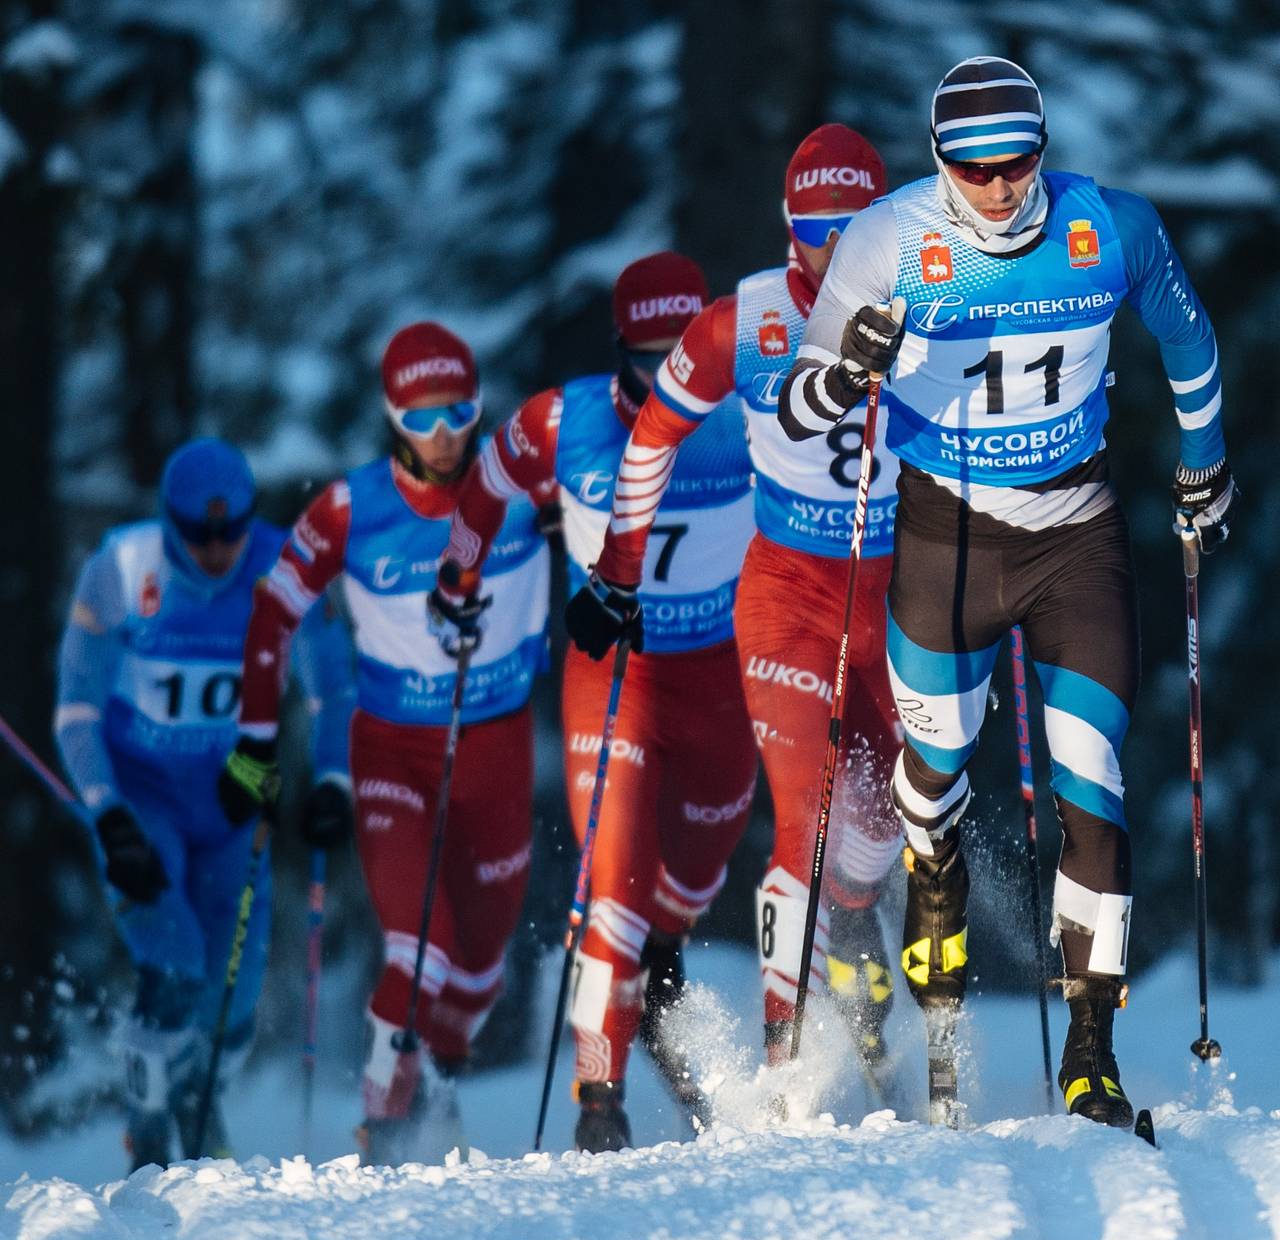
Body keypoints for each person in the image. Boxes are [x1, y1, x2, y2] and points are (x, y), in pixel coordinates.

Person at [776, 57, 1236, 1126]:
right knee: (931, 773)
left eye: (1016, 161)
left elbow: (1186, 336)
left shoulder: (1105, 226)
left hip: (1074, 533)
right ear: (936, 161)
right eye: (970, 168)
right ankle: (931, 866)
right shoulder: (887, 240)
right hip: (945, 534)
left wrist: (1201, 464)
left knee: (1094, 784)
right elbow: (801, 405)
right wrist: (847, 370)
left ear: (1043, 149)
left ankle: (1090, 1052)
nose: (995, 187)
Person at [564, 125, 904, 1093]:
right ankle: (780, 1057)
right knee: (800, 812)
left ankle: (847, 911)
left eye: (853, 228)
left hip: (903, 597)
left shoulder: (936, 295)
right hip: (788, 595)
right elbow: (651, 439)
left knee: (886, 818)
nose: (831, 251)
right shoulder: (740, 318)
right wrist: (615, 573)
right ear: (785, 226)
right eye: (812, 229)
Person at [436, 252, 758, 1152]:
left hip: (722, 682)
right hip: (615, 676)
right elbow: (487, 487)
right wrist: (457, 578)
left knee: (693, 874)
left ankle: (659, 965)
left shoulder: (747, 405)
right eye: (650, 358)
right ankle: (597, 1097)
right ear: (621, 350)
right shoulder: (563, 420)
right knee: (609, 882)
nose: (671, 378)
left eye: (686, 351)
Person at [221, 322, 553, 1165]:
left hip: (497, 749)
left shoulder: (523, 490)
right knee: (419, 946)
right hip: (393, 755)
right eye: (421, 415)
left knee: (479, 972)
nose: (444, 434)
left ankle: (433, 1081)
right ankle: (384, 1120)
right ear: (391, 416)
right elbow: (273, 612)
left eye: (460, 411)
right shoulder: (349, 508)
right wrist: (257, 743)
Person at [54, 439, 353, 1170]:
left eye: (233, 530)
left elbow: (332, 690)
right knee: (179, 966)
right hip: (142, 800)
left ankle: (198, 1094)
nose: (219, 549)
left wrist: (333, 783)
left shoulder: (286, 567)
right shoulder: (122, 569)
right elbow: (76, 712)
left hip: (230, 806)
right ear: (169, 522)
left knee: (235, 998)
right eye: (200, 533)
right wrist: (108, 813)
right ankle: (148, 1117)